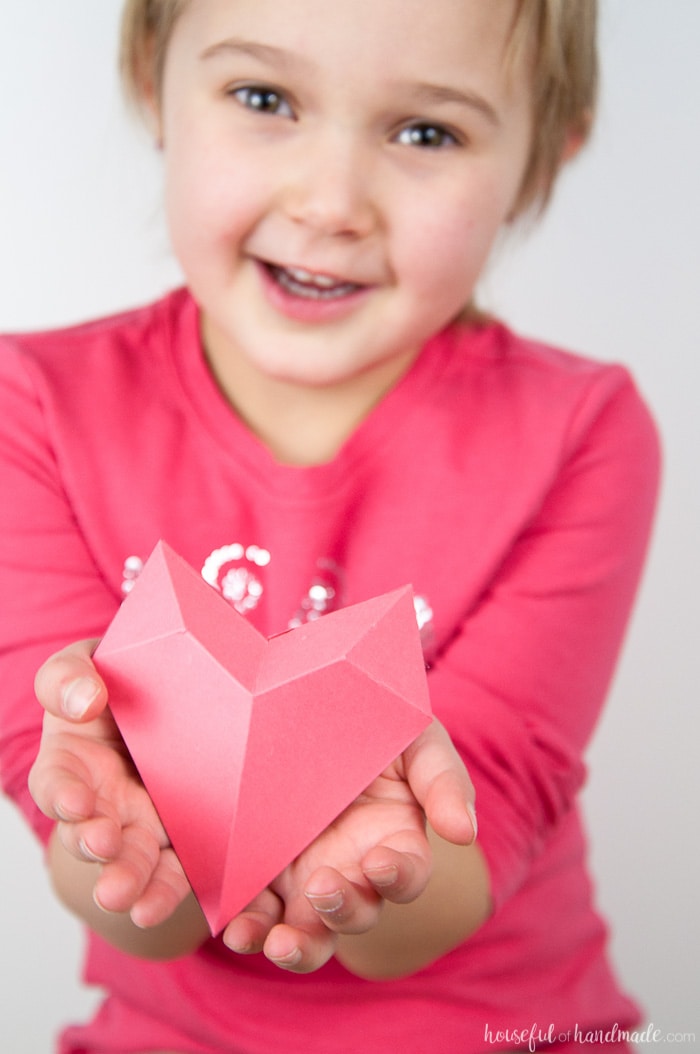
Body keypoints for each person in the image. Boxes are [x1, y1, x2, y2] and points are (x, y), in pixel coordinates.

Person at [0, 1, 661, 1051]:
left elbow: (452, 875)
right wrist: (113, 814)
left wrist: (372, 857)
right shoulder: (30, 406)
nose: (332, 202)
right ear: (147, 79)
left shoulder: (581, 429)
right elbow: (132, 898)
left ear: (547, 146)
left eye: (425, 132)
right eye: (263, 99)